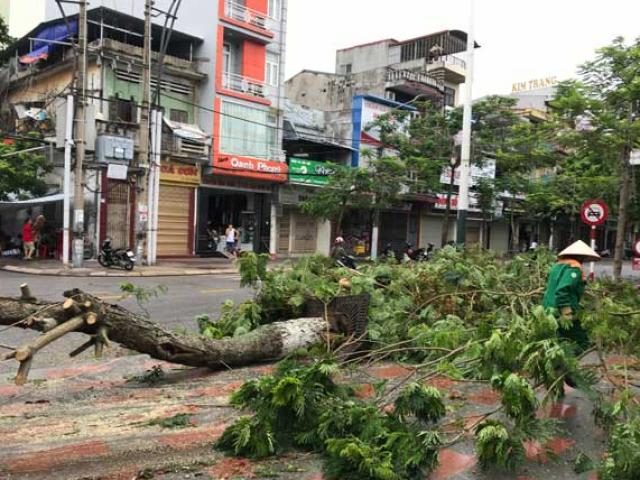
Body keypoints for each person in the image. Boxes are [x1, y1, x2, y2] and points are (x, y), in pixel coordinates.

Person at [543, 240, 601, 354]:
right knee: (582, 341)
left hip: (548, 310)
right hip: (561, 313)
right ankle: (567, 366)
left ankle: (557, 365)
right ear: (581, 257)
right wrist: (567, 312)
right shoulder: (574, 268)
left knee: (558, 341)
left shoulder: (557, 266)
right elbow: (562, 290)